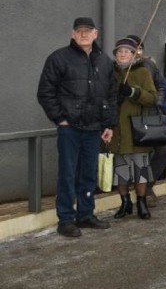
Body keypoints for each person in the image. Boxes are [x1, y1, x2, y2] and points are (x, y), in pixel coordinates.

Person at [37, 17, 117, 237]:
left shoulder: (104, 61)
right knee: (67, 174)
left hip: (94, 128)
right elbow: (45, 92)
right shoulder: (59, 58)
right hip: (69, 128)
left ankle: (86, 214)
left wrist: (109, 123)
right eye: (79, 31)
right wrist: (60, 119)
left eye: (88, 31)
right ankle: (65, 219)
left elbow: (110, 95)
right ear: (73, 34)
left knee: (88, 174)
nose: (84, 34)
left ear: (96, 34)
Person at [109, 38, 157, 220]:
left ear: (133, 54)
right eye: (119, 51)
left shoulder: (142, 72)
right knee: (120, 171)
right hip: (117, 130)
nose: (122, 54)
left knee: (141, 171)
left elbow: (152, 98)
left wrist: (133, 92)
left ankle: (142, 202)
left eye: (127, 51)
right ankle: (125, 202)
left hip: (136, 130)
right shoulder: (110, 73)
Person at [126, 35, 166, 207]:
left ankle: (147, 186)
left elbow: (163, 88)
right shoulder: (121, 68)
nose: (137, 52)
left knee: (165, 152)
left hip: (152, 118)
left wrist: (157, 104)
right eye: (133, 48)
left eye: (139, 48)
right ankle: (138, 192)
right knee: (138, 157)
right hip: (129, 119)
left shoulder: (150, 65)